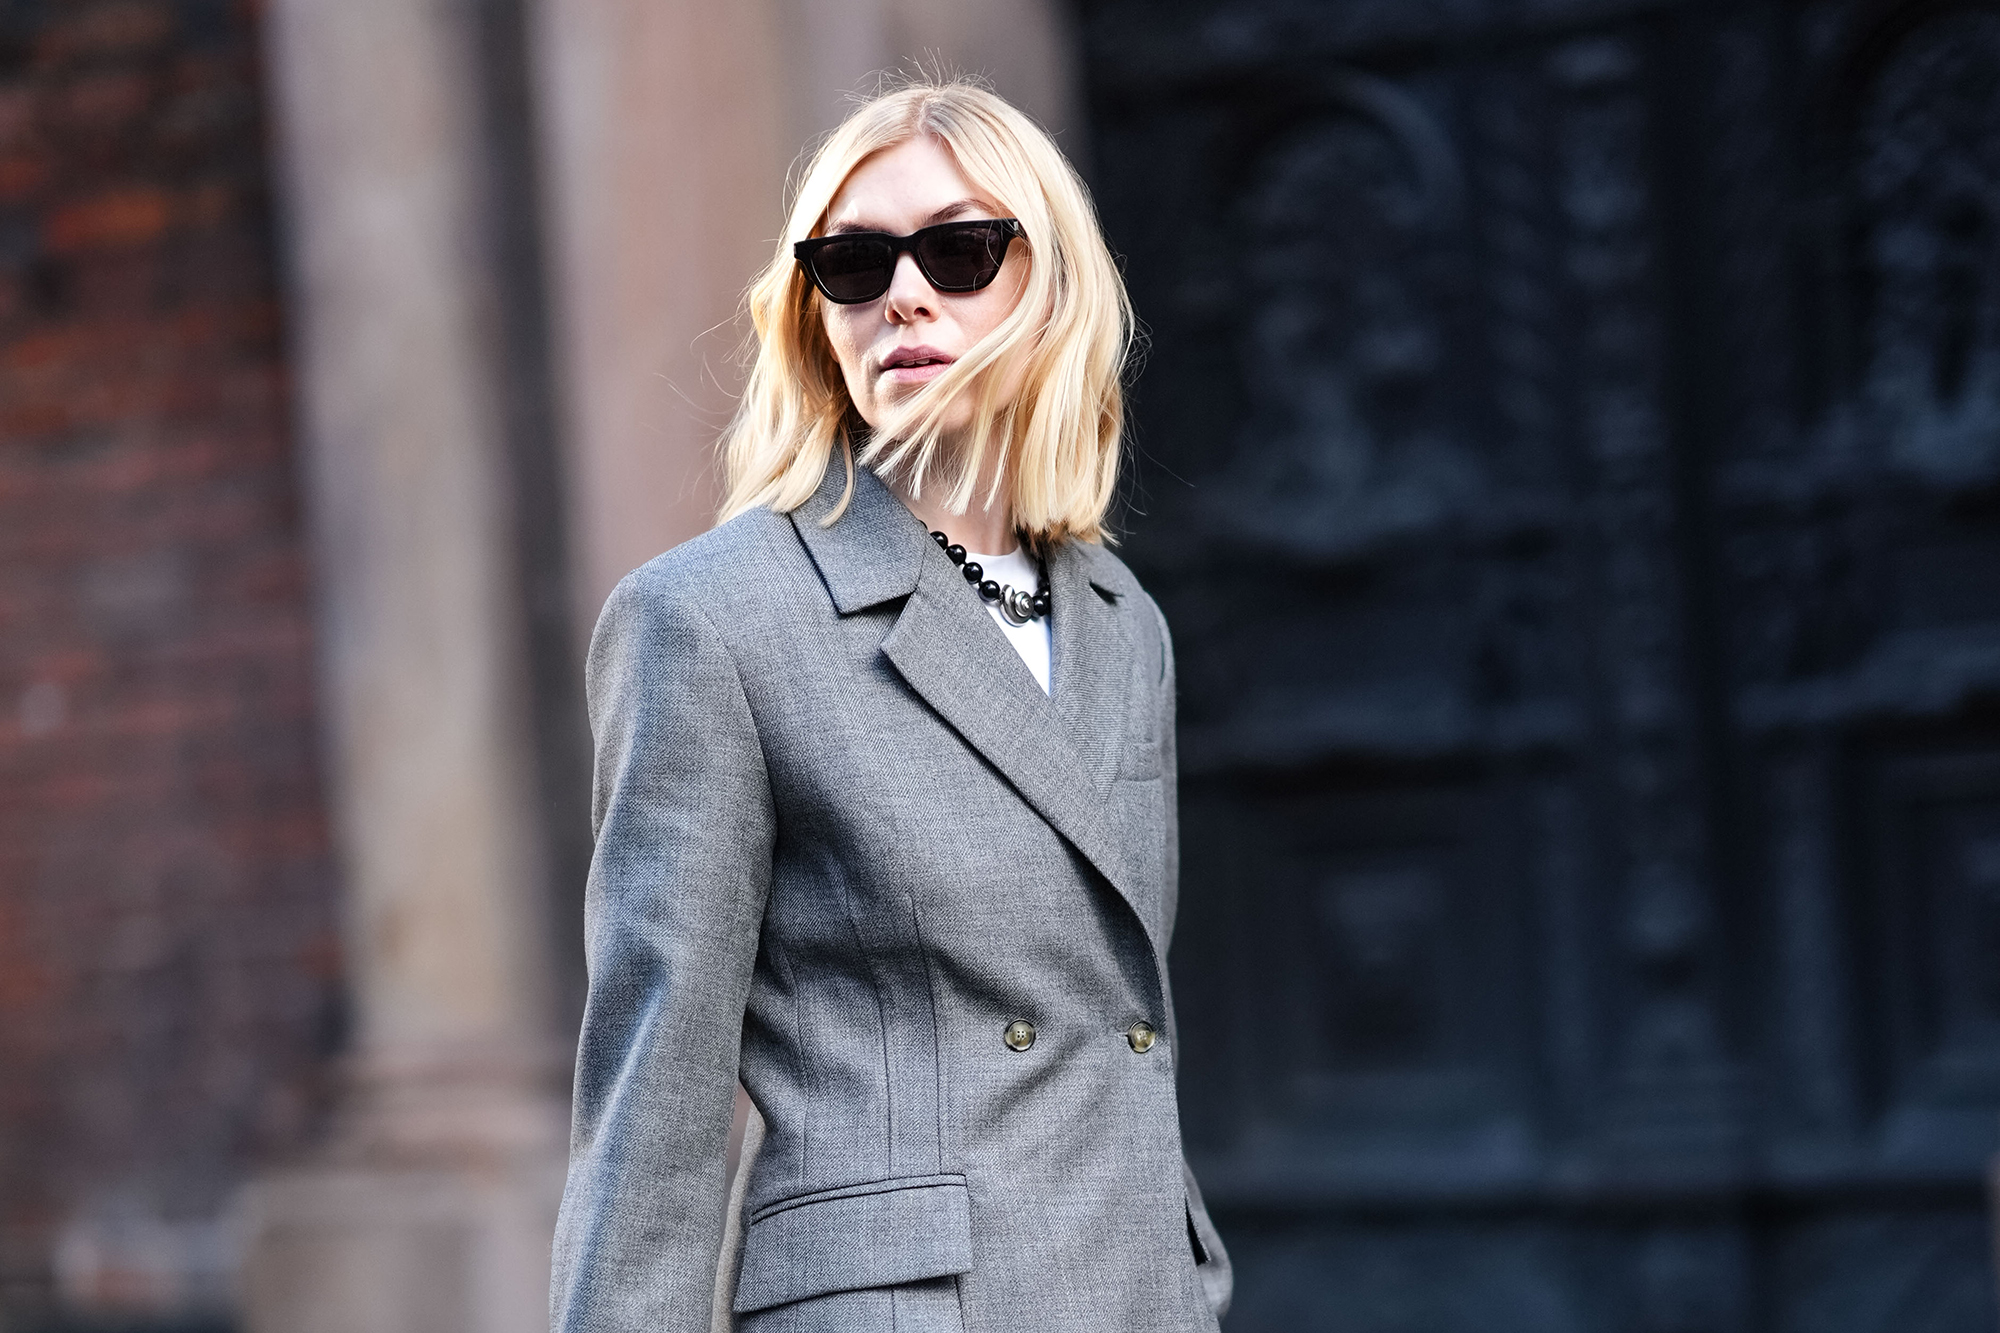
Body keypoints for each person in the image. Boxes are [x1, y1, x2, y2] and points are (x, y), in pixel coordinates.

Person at [550, 76, 1232, 1333]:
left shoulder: (1120, 620)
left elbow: (1121, 1021)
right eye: (854, 265)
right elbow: (657, 1089)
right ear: (816, 314)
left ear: (1051, 287)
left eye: (958, 253)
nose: (903, 296)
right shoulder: (713, 619)